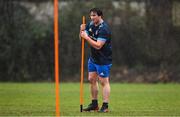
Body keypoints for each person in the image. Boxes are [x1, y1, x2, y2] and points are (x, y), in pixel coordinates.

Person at [80, 8, 112, 112]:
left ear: (100, 16)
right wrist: (81, 31)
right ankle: (94, 104)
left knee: (104, 82)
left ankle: (105, 106)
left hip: (103, 59)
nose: (92, 18)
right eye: (91, 16)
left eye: (94, 16)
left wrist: (87, 37)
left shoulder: (104, 29)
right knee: (91, 79)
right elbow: (82, 39)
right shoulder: (90, 25)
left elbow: (98, 46)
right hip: (93, 58)